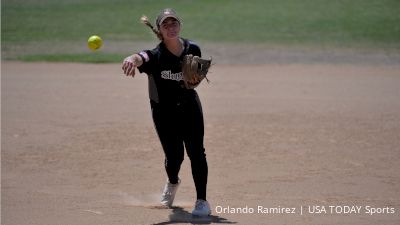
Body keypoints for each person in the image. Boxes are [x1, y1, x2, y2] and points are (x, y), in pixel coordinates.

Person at [121, 8, 211, 216]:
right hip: (164, 113)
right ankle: (172, 182)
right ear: (160, 30)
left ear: (180, 25)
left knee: (197, 152)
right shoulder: (155, 55)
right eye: (166, 24)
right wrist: (131, 59)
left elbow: (192, 81)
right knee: (174, 157)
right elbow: (140, 57)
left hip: (189, 108)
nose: (171, 27)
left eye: (174, 23)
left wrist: (194, 80)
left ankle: (202, 201)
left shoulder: (193, 49)